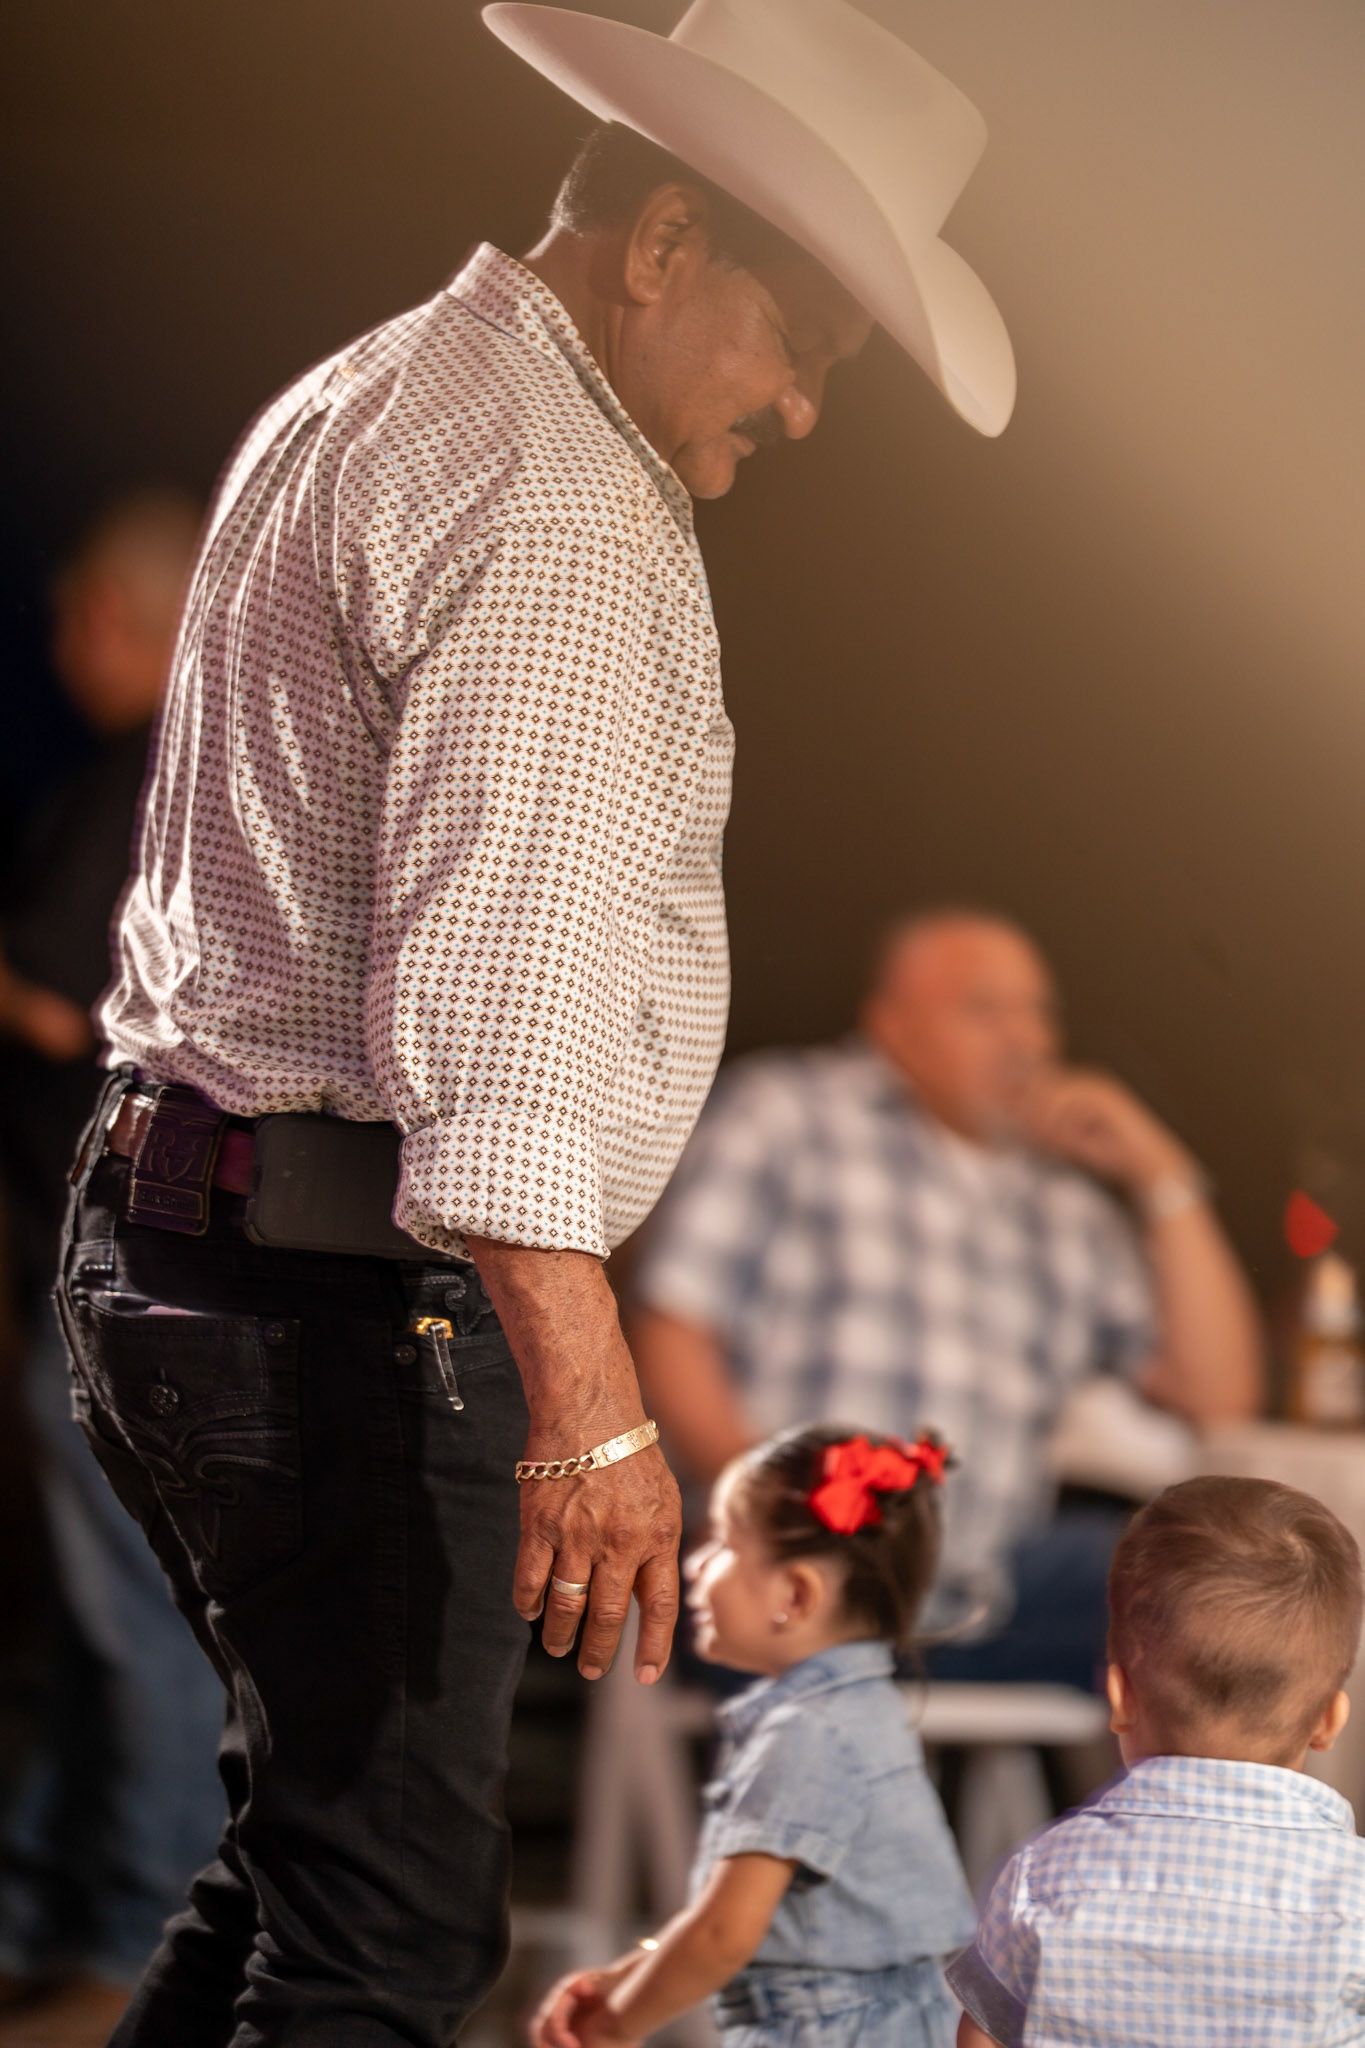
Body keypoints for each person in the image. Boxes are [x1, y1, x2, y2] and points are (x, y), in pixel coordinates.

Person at [53, 3, 1020, 2042]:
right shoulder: (563, 504)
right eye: (804, 342)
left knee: (311, 1869)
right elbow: (498, 1025)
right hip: (333, 1293)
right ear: (664, 241)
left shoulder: (381, 380)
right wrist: (592, 1414)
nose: (804, 406)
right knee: (386, 1938)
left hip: (184, 1240)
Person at [631, 910, 1264, 1691]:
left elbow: (1216, 1397)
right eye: (985, 1009)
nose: (1027, 1039)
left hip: (991, 1580)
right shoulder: (788, 1112)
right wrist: (774, 1516)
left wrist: (1161, 1175)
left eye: (1037, 1011)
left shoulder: (1066, 1206)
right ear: (892, 1028)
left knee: (1222, 1591)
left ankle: (1187, 1784)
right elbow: (674, 1328)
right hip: (790, 1566)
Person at [0, 493, 225, 2048]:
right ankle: (58, 1922)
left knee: (134, 1619)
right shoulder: (220, 774)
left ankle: (144, 1942)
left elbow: (75, 1008)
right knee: (101, 1622)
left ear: (112, 618)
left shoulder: (152, 776)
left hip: (120, 1269)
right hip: (139, 1263)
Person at [532, 1425, 975, 2048]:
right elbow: (759, 1923)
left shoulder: (806, 1734)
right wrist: (627, 1978)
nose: (694, 1563)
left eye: (722, 1544)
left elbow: (723, 1936)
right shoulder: (856, 1710)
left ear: (795, 1594)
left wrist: (616, 2024)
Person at [949, 1475, 1365, 2046]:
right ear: (1329, 1720)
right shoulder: (1352, 1893)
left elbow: (981, 2037)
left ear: (1119, 1696)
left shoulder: (1041, 1874)